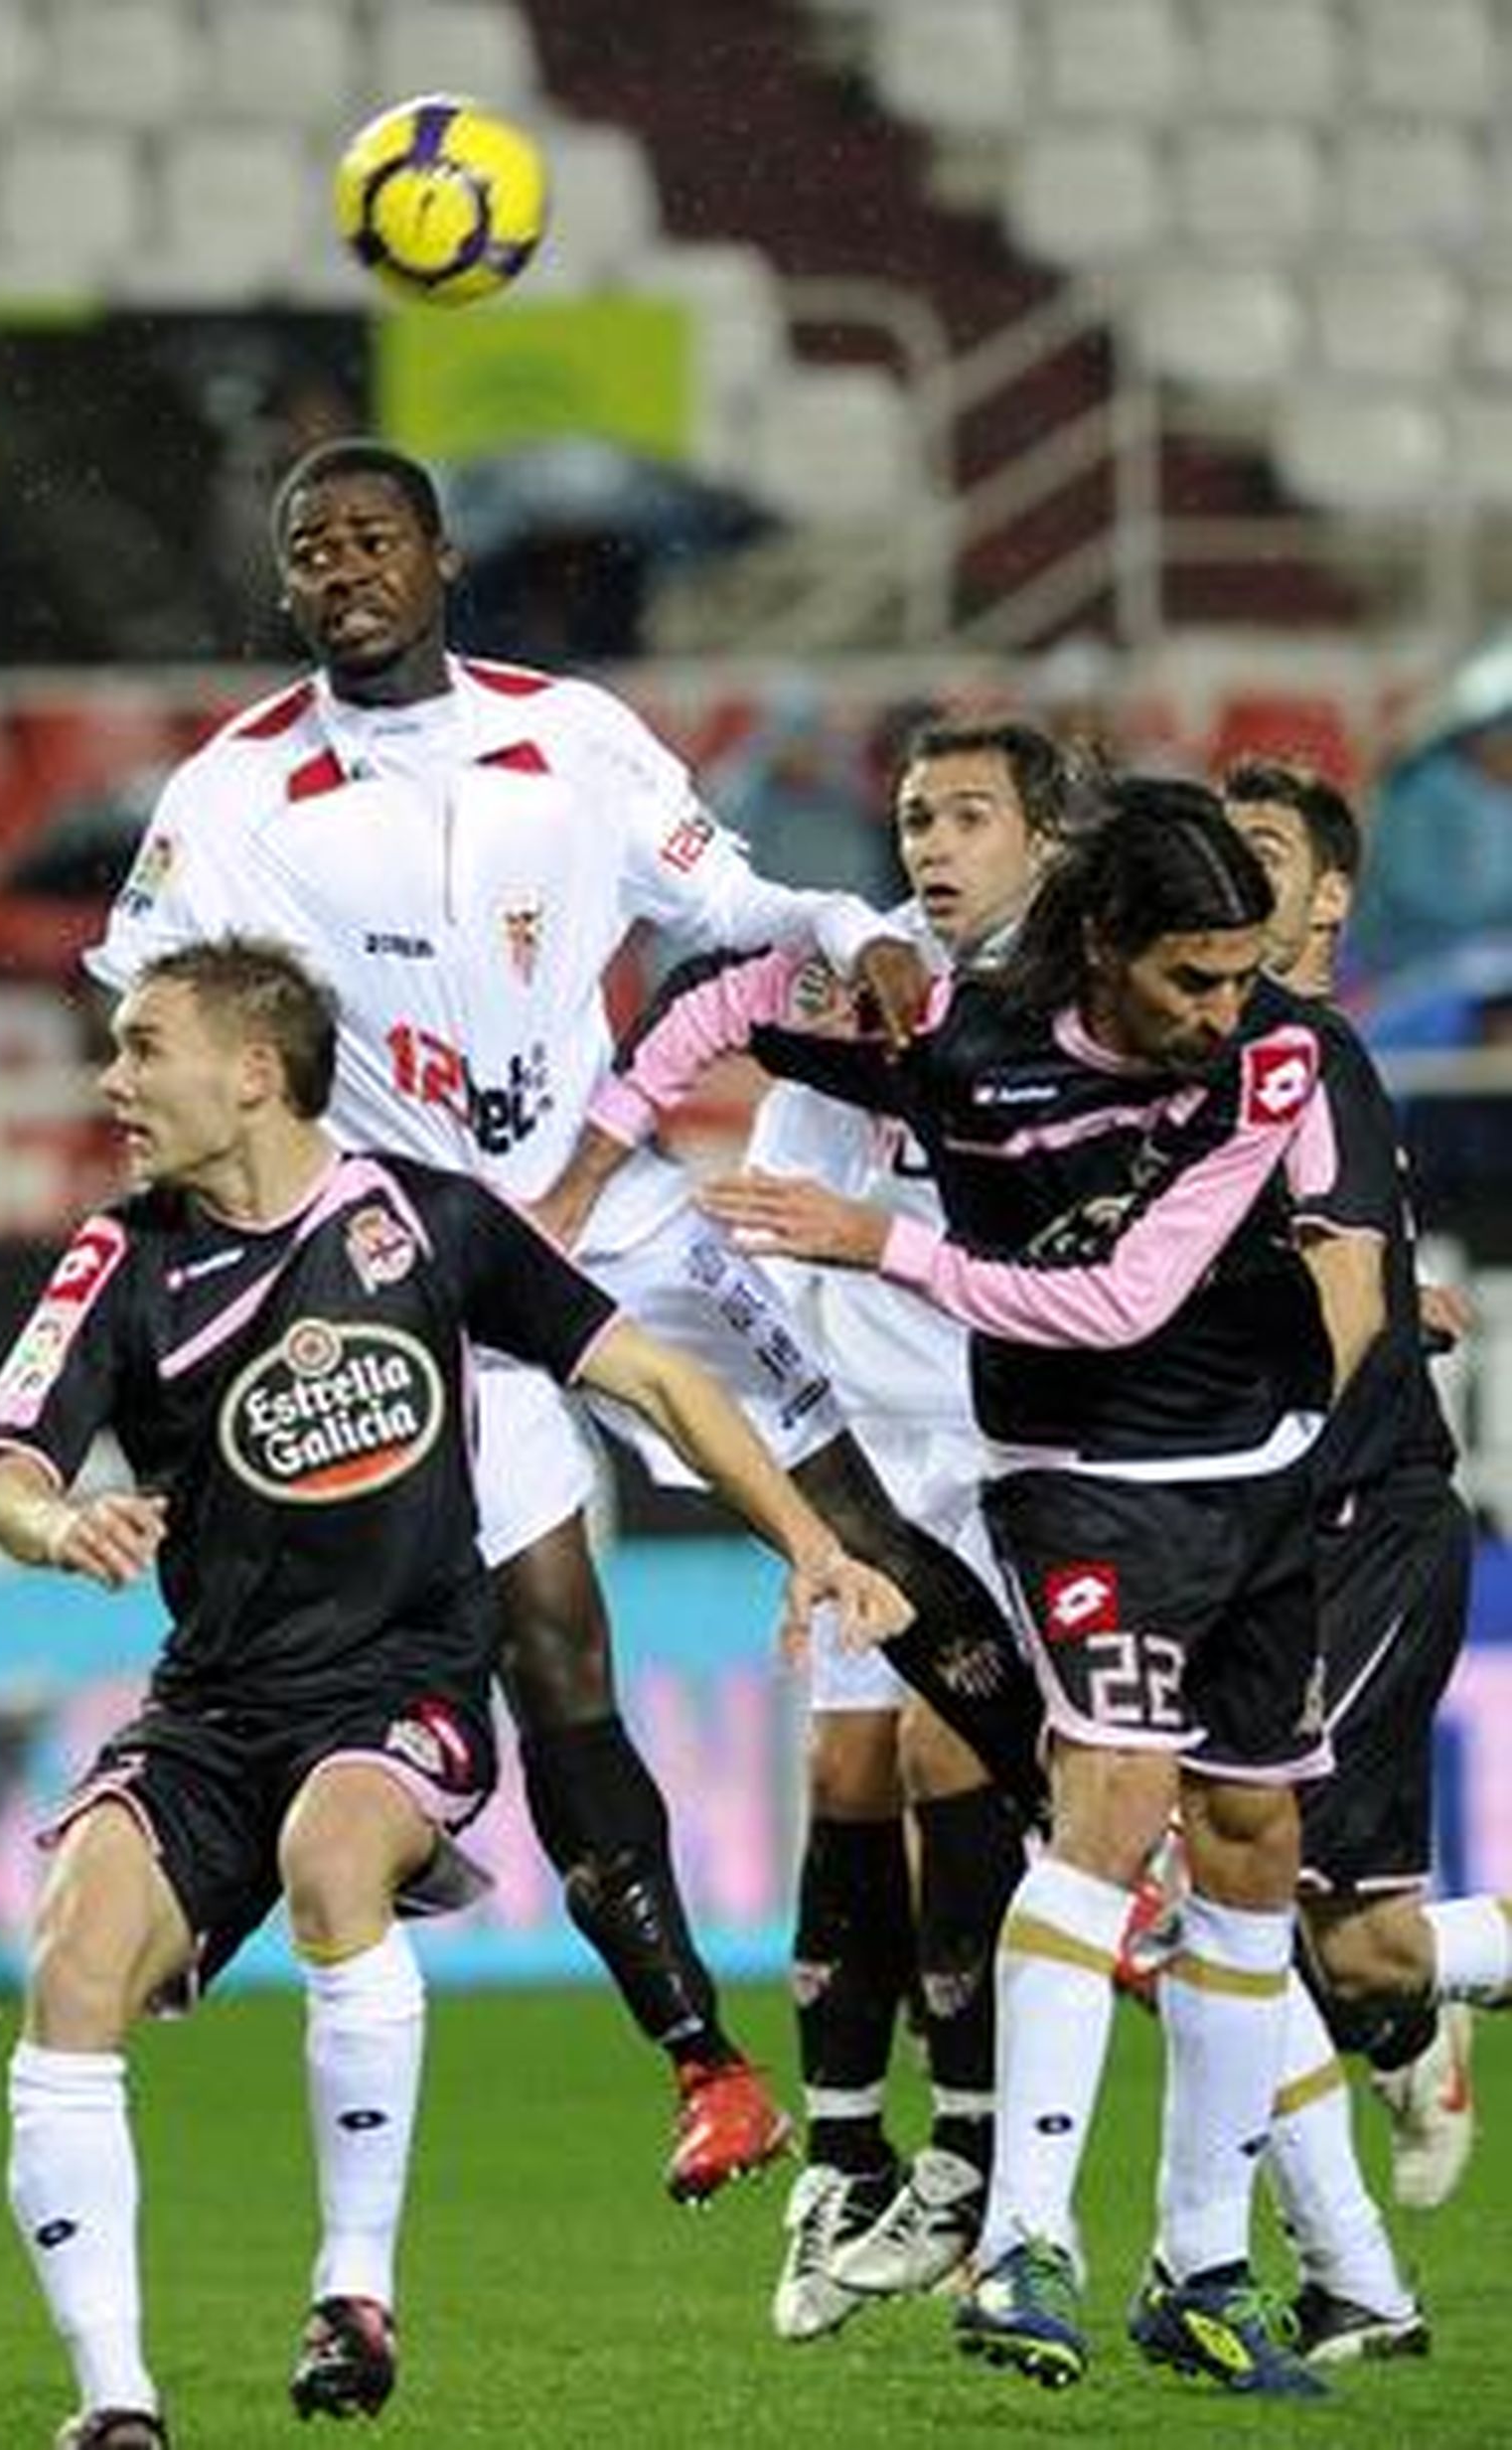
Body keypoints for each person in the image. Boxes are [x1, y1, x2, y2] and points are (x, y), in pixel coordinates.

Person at [84, 437, 1036, 2208]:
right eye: (314, 549)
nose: (346, 566)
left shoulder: (575, 736)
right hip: (422, 1272)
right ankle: (708, 2064)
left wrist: (854, 922)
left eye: (376, 536)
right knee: (555, 1655)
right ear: (288, 583)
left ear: (443, 558)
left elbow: (732, 907)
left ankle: (1074, 1832)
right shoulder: (228, 795)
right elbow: (159, 1014)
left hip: (626, 1212)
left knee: (856, 1521)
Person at [0, 938, 910, 2450]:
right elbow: (3, 1463)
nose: (111, 1080)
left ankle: (352, 2289)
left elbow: (656, 1380)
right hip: (209, 1706)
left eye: (144, 1047)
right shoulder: (123, 1254)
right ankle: (116, 2402)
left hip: (402, 1681)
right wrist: (58, 1522)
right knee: (71, 1953)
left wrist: (809, 1543)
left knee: (334, 1851)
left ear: (254, 1070)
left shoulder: (431, 1221)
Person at [576, 780, 1345, 2396]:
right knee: (1102, 1799)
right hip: (1075, 1481)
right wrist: (589, 1158)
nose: (1230, 1007)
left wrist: (883, 1244)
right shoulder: (966, 1047)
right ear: (1113, 946)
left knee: (1255, 1842)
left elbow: (1130, 1292)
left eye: (1239, 972)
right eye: (1194, 977)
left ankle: (1202, 2259)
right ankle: (1013, 2240)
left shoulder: (1269, 1054)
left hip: (1256, 1479)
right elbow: (726, 995)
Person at [731, 721, 1067, 2340]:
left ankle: (976, 2157)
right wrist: (804, 1501)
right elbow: (768, 1234)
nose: (933, 845)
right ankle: (849, 2156)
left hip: (1002, 1448)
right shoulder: (839, 1004)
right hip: (867, 1459)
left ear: (1044, 837)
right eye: (917, 815)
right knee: (846, 1773)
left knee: (954, 1767)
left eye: (970, 816)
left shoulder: (1073, 1011)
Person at [1226, 763, 1484, 2242]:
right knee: (1366, 1951)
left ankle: (1310, 2262)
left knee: (1238, 1880)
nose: (1228, 870)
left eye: (1262, 850)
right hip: (1267, 1539)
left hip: (1362, 1524)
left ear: (1330, 897)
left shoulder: (1315, 1054)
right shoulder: (1235, 1064)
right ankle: (1413, 2033)